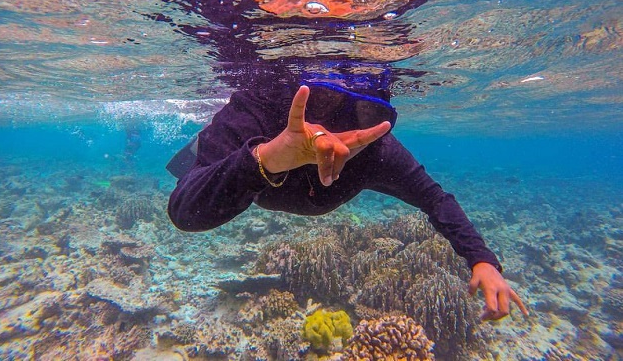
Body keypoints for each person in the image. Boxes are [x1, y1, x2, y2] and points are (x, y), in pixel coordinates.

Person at [167, 82, 529, 322]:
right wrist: (268, 158)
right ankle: (203, 146)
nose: (337, 134)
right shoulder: (255, 111)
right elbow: (184, 212)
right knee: (198, 164)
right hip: (254, 151)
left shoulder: (376, 150)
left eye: (367, 112)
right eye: (323, 100)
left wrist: (482, 259)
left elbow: (435, 199)